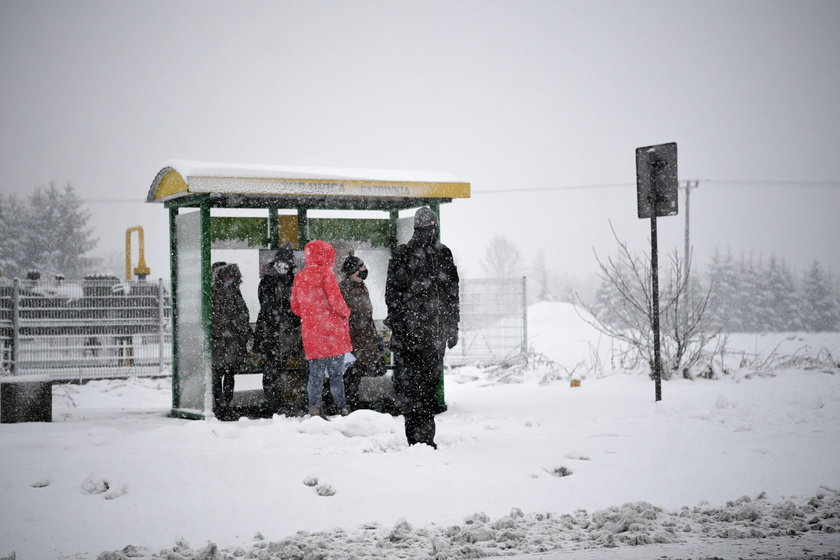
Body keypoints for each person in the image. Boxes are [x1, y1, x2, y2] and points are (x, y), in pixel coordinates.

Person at [385, 207, 460, 448]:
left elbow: (451, 294)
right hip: (422, 335)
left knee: (419, 388)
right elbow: (451, 294)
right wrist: (450, 325)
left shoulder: (415, 254)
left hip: (422, 335)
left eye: (431, 226)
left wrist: (452, 325)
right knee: (421, 387)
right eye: (429, 226)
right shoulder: (423, 253)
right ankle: (420, 438)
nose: (431, 230)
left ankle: (421, 438)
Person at [290, 240, 352, 417]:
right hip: (332, 332)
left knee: (315, 374)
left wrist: (311, 315)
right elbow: (336, 301)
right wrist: (346, 313)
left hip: (312, 333)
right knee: (335, 374)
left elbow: (295, 306)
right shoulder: (326, 274)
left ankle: (314, 408)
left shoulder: (300, 276)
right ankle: (342, 408)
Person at [254, 246, 303, 412]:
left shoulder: (294, 281)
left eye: (287, 264)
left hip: (287, 333)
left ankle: (286, 400)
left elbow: (295, 307)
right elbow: (267, 305)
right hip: (271, 332)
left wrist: (291, 318)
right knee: (271, 368)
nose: (283, 267)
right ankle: (272, 402)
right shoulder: (267, 282)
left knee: (286, 367)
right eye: (280, 263)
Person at [339, 254, 386, 410]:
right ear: (353, 270)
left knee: (356, 373)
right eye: (361, 267)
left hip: (364, 338)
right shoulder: (343, 288)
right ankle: (347, 404)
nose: (365, 269)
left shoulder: (361, 286)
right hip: (351, 339)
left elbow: (365, 313)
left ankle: (351, 402)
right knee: (350, 373)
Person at [211, 262, 251, 414]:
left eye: (230, 276)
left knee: (228, 373)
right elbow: (212, 316)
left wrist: (238, 326)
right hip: (220, 341)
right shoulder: (213, 292)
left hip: (231, 342)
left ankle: (226, 403)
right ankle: (220, 404)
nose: (228, 278)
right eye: (224, 275)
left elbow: (243, 313)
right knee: (217, 374)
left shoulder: (235, 291)